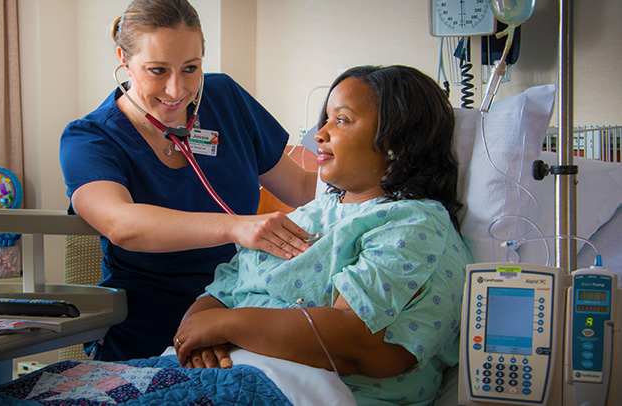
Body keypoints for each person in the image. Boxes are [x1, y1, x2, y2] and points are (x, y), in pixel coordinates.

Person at [173, 65, 473, 405]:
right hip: (215, 375)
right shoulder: (309, 214)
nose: (320, 133)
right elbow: (220, 292)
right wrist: (202, 335)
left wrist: (226, 326)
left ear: (395, 139)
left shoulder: (412, 224)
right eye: (325, 118)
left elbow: (352, 340)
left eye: (341, 120)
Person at [59, 0, 317, 361]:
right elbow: (122, 224)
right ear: (124, 59)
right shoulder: (90, 139)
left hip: (241, 311)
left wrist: (391, 178)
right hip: (150, 327)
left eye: (190, 68)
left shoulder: (226, 99)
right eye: (157, 70)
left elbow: (303, 189)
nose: (176, 90)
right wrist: (235, 228)